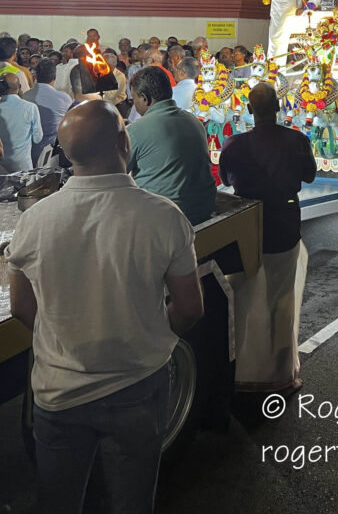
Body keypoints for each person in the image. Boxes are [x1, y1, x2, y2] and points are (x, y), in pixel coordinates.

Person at [6, 99, 203, 514]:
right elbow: (189, 307)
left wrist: (66, 337)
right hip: (138, 385)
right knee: (132, 503)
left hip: (58, 393)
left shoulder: (35, 220)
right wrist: (154, 335)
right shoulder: (163, 217)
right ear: (123, 142)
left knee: (58, 502)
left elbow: (23, 308)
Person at [219, 83, 317, 393]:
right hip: (284, 222)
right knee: (282, 299)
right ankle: (280, 375)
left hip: (246, 223)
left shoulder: (234, 144)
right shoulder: (296, 140)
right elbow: (310, 175)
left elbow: (224, 179)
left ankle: (241, 372)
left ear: (249, 110)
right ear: (278, 107)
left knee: (244, 297)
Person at [127, 67, 216, 224]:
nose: (134, 105)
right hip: (203, 208)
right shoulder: (193, 121)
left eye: (134, 99)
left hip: (164, 217)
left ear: (144, 98)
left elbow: (117, 173)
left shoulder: (136, 130)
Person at [24, 58, 71, 164]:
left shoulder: (25, 97)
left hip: (29, 150)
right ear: (54, 77)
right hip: (53, 152)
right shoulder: (63, 98)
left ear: (36, 76)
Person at [0, 73, 43, 172]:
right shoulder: (30, 108)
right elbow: (37, 139)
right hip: (23, 167)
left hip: (2, 168)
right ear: (19, 87)